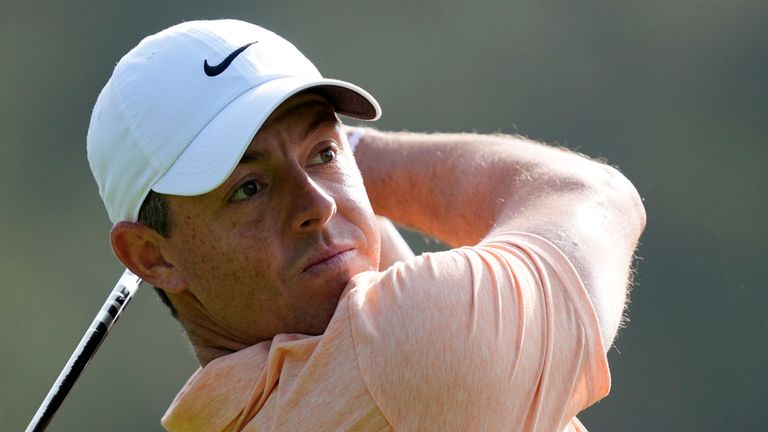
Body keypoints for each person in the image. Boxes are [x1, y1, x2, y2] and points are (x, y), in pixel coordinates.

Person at [87, 19, 645, 432]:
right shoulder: (404, 353)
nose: (318, 206)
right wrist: (361, 153)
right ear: (150, 256)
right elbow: (596, 197)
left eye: (321, 153)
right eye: (249, 189)